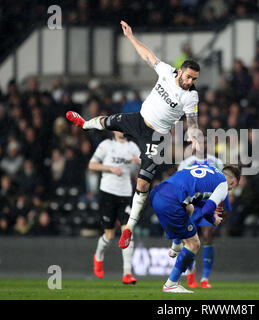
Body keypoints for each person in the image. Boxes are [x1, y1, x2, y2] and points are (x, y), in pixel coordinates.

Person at [66, 20, 201, 250]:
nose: (190, 82)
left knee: (143, 181)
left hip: (157, 136)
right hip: (139, 119)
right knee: (107, 121)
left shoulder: (191, 96)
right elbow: (147, 55)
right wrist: (130, 37)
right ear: (180, 71)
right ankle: (84, 124)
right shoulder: (167, 72)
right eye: (188, 77)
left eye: (194, 79)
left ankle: (128, 227)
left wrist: (195, 134)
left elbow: (192, 120)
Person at [150, 164, 240, 293]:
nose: (229, 190)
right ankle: (171, 284)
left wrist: (210, 211)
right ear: (233, 181)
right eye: (232, 187)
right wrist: (213, 219)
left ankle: (176, 244)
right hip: (171, 201)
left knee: (189, 208)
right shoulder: (223, 185)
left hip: (157, 192)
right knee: (194, 244)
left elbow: (196, 197)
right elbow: (206, 211)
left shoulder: (210, 169)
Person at [170, 140, 226, 289]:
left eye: (205, 143)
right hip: (191, 205)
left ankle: (205, 278)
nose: (202, 146)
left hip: (208, 204)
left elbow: (221, 185)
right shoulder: (186, 163)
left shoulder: (217, 162)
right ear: (193, 146)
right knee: (189, 240)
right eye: (199, 143)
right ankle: (190, 272)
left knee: (208, 236)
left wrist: (218, 209)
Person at [89, 131, 141, 284]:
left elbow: (143, 167)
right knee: (110, 235)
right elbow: (92, 165)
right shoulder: (106, 145)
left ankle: (127, 273)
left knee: (127, 231)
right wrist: (110, 168)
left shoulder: (132, 147)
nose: (122, 130)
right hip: (108, 192)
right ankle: (98, 257)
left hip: (125, 193)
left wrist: (139, 162)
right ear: (113, 130)